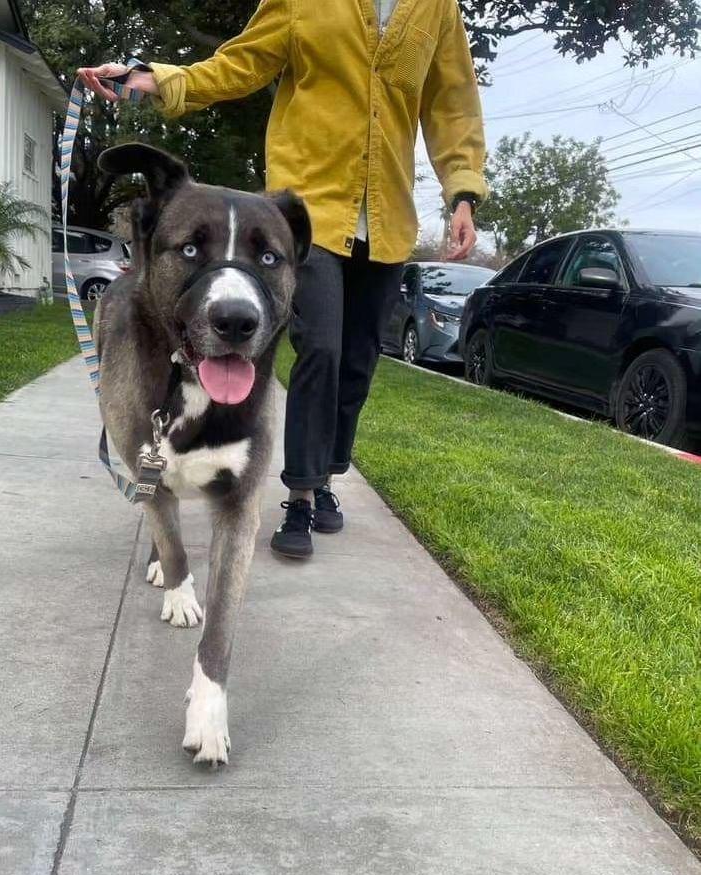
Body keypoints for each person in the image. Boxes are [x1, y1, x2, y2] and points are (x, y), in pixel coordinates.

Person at [79, 0, 487, 559]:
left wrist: (461, 192)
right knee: (320, 346)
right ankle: (298, 493)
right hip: (306, 212)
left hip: (387, 215)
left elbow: (452, 103)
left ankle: (323, 478)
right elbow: (240, 62)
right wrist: (154, 79)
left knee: (358, 360)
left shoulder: (438, 9)